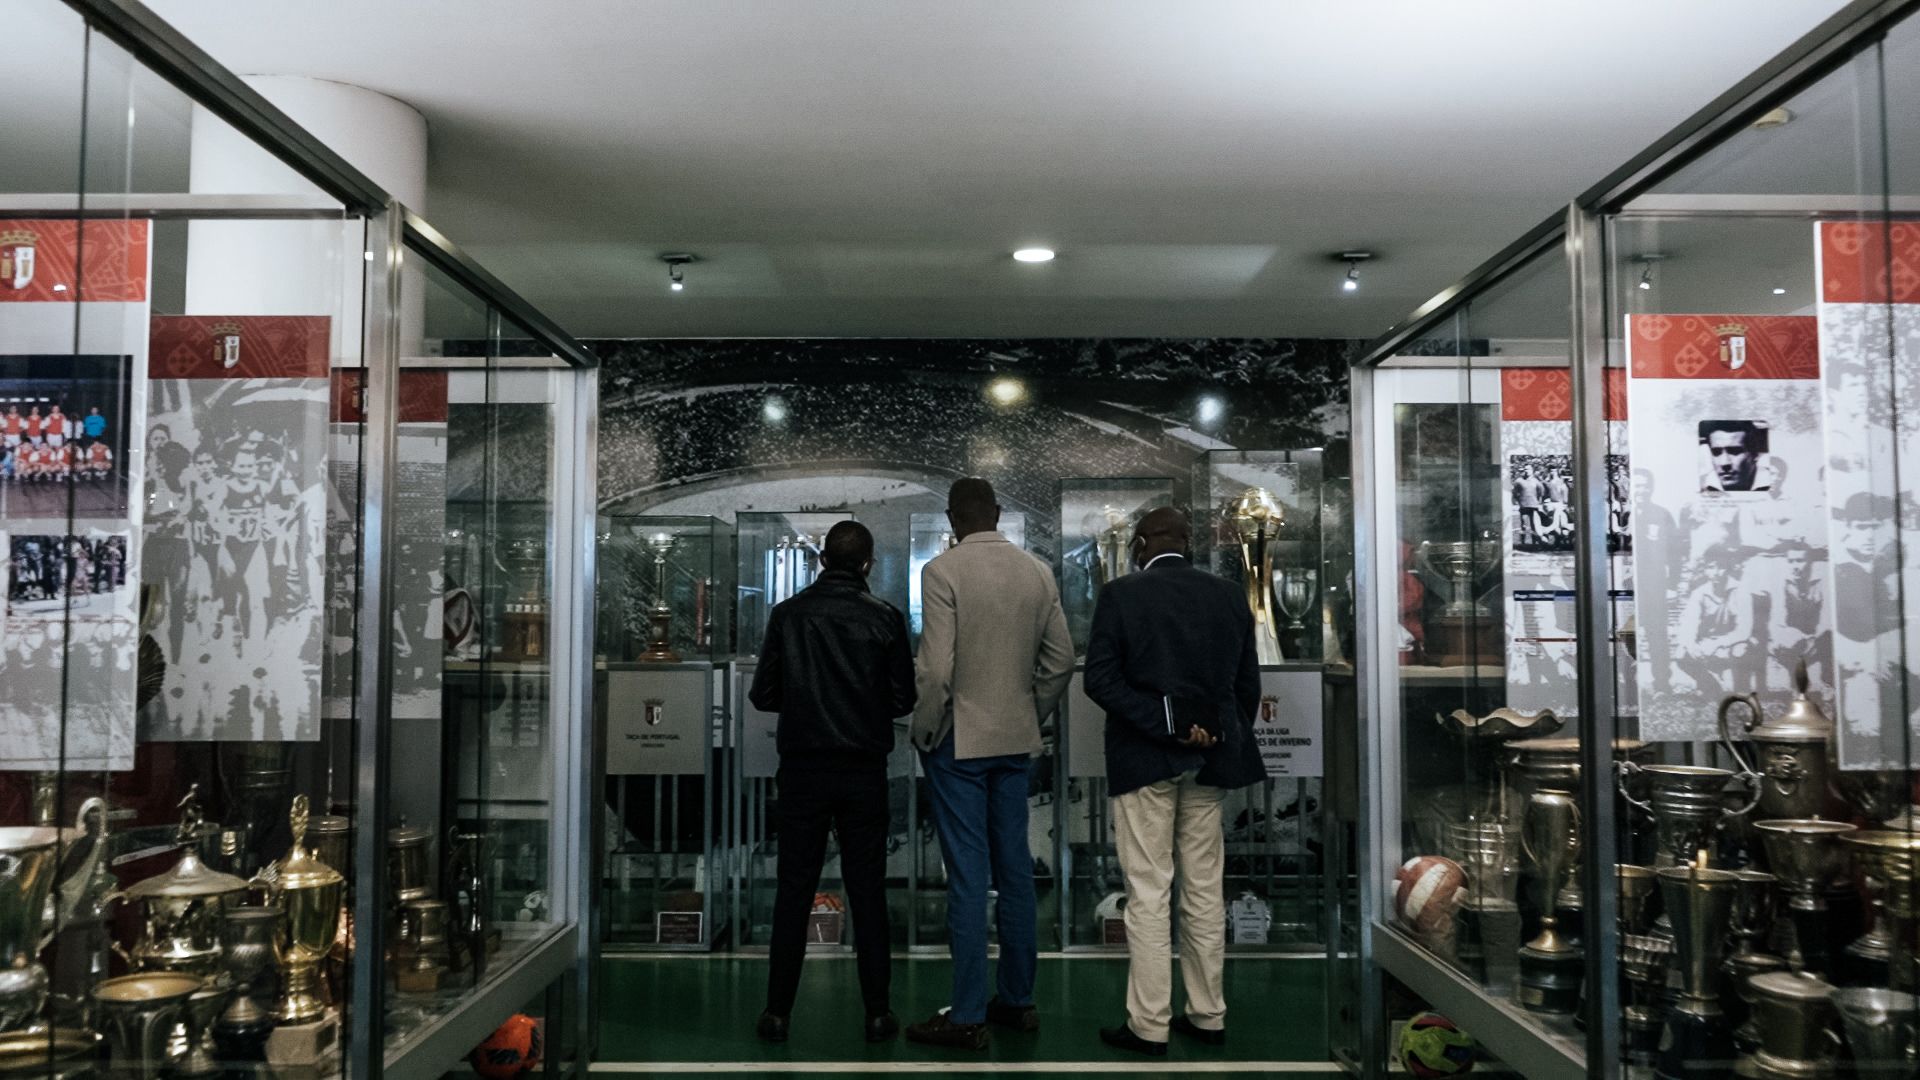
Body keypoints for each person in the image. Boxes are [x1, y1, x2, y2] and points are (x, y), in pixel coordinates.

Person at [1083, 507, 1264, 1057]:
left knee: (1148, 892)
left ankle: (1149, 1024)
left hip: (1144, 761)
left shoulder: (1120, 595)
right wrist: (1211, 732)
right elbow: (1246, 688)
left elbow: (1100, 680)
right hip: (1210, 763)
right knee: (1204, 891)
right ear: (1188, 544)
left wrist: (1166, 722)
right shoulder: (1229, 596)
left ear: (1140, 545)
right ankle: (1208, 1015)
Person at [906, 478, 1073, 1050]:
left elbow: (935, 670)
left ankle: (967, 1013)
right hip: (1013, 738)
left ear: (952, 518)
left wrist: (926, 728)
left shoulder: (942, 571)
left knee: (968, 877)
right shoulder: (1038, 572)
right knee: (1016, 871)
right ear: (998, 513)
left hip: (958, 740)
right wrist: (1029, 713)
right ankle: (1017, 1001)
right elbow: (1060, 661)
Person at [748, 520, 913, 1046]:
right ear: (868, 563)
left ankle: (777, 1013)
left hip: (803, 770)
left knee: (794, 890)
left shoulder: (788, 615)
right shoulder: (886, 618)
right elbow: (903, 699)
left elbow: (763, 694)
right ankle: (878, 1014)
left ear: (822, 560)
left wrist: (804, 701)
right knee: (868, 892)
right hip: (863, 770)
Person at [1701, 420, 1769, 492]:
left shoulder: (1774, 484)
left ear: (1755, 454)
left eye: (1734, 451)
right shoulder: (1699, 487)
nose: (1724, 463)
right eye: (1716, 452)